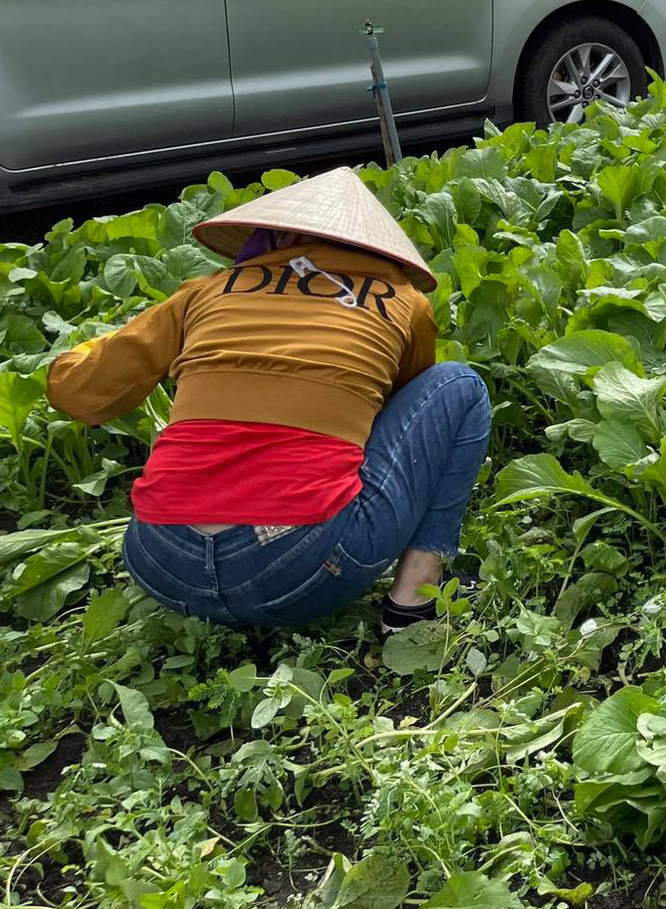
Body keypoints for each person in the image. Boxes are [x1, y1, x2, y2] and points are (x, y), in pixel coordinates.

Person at [45, 167, 491, 633]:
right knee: (458, 385)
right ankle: (414, 601)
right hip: (300, 568)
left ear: (271, 235)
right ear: (377, 248)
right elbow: (406, 409)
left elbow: (77, 394)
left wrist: (86, 346)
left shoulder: (207, 291)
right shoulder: (401, 301)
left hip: (162, 562)